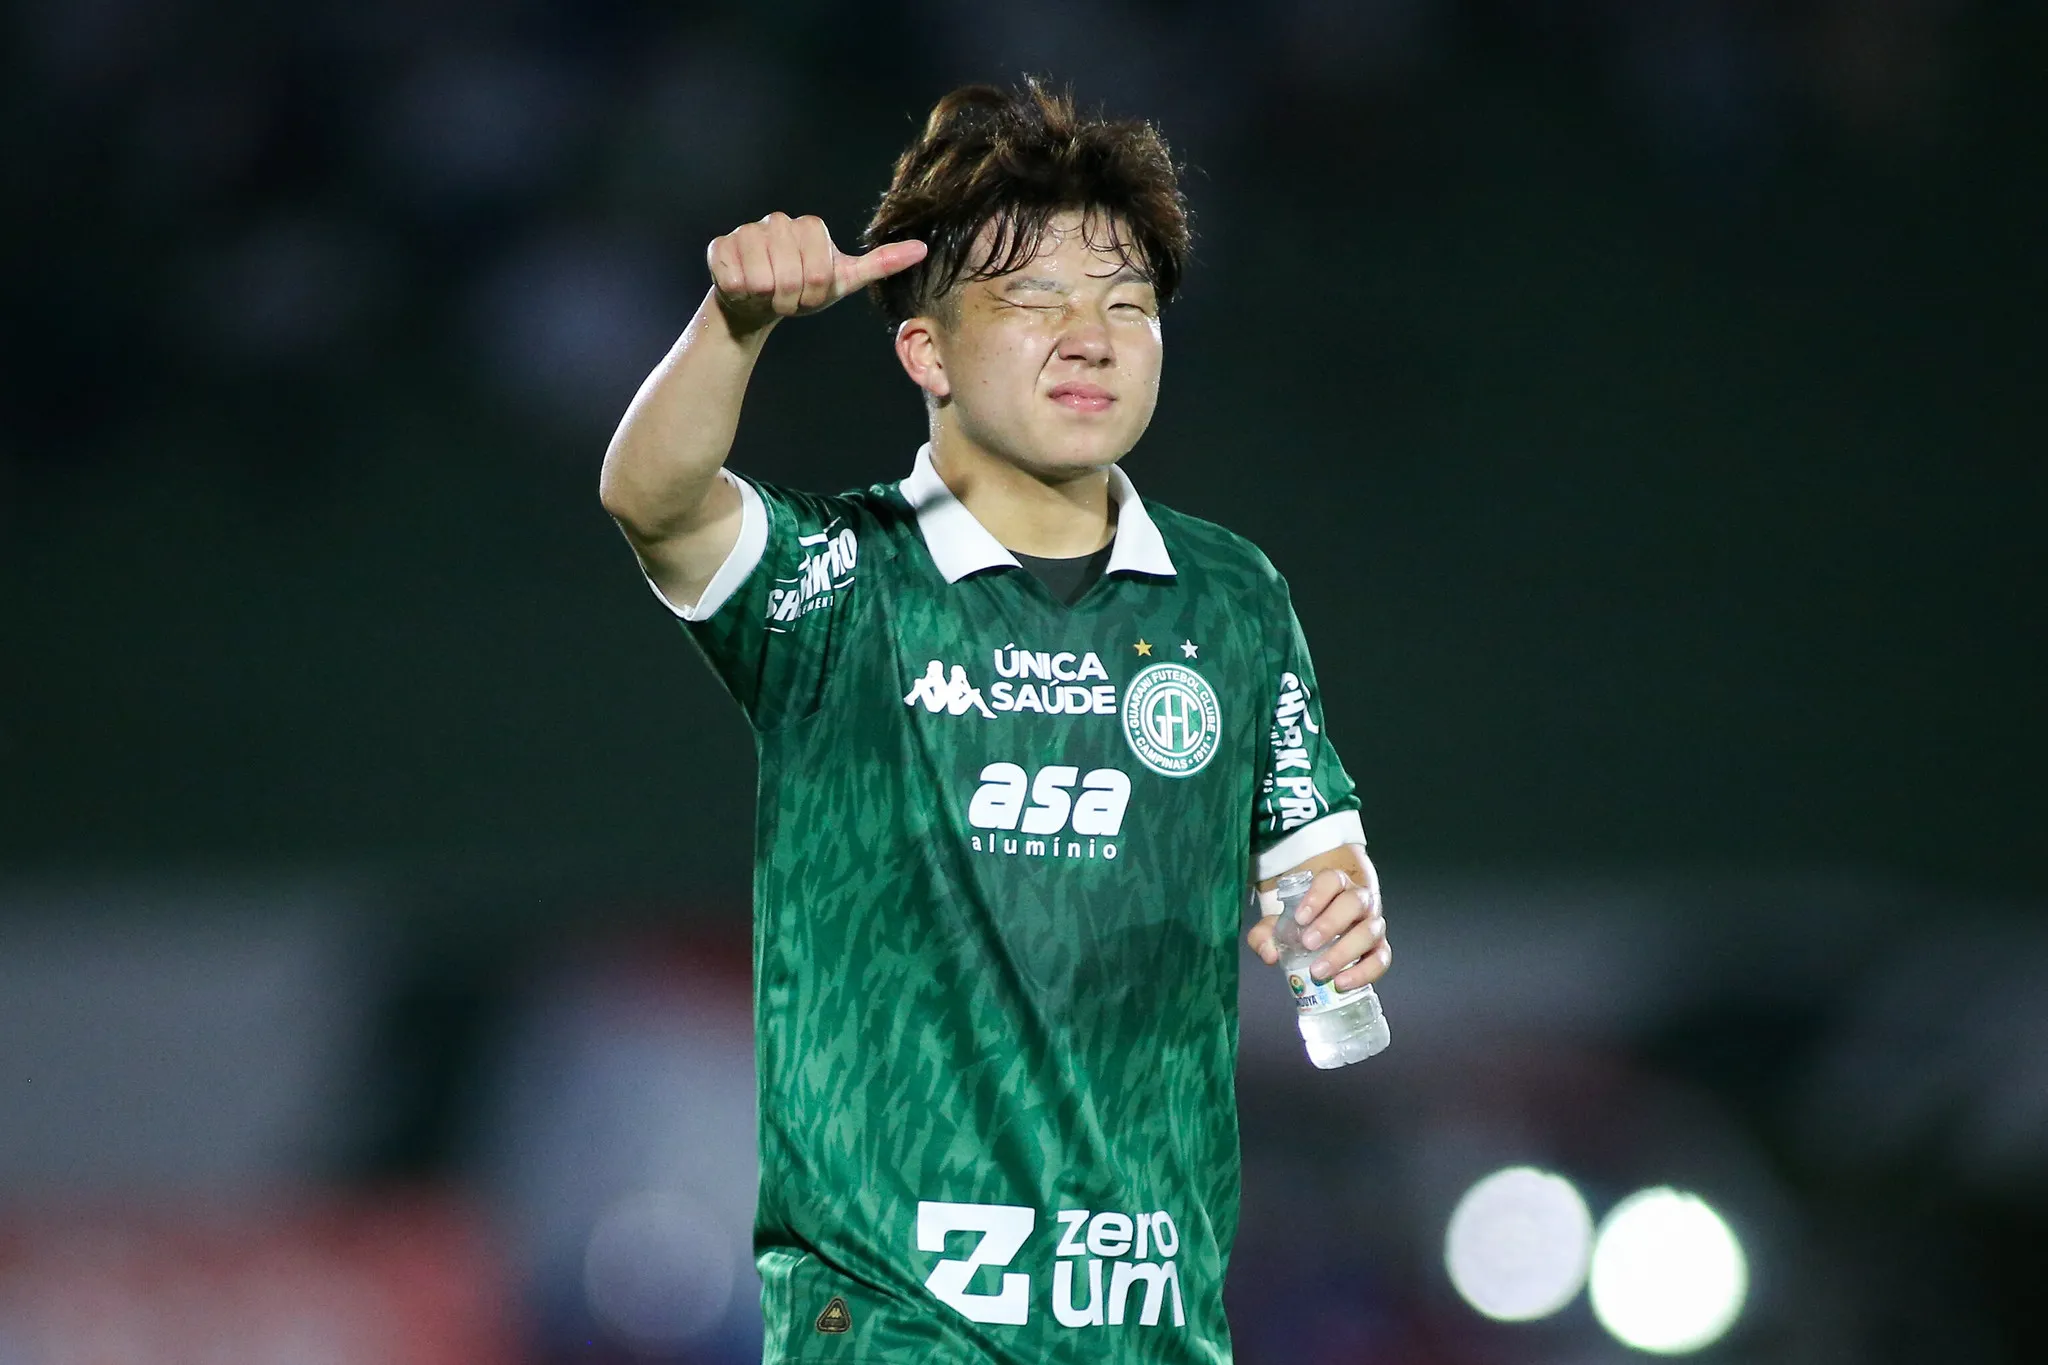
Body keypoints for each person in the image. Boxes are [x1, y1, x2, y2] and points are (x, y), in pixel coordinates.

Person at [599, 80, 1392, 1364]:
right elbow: (655, 499)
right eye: (1034, 300)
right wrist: (733, 323)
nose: (1090, 338)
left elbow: (1314, 856)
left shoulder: (1230, 596)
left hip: (1145, 1319)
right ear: (926, 352)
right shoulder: (840, 583)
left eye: (1125, 303)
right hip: (889, 1323)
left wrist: (1340, 918)